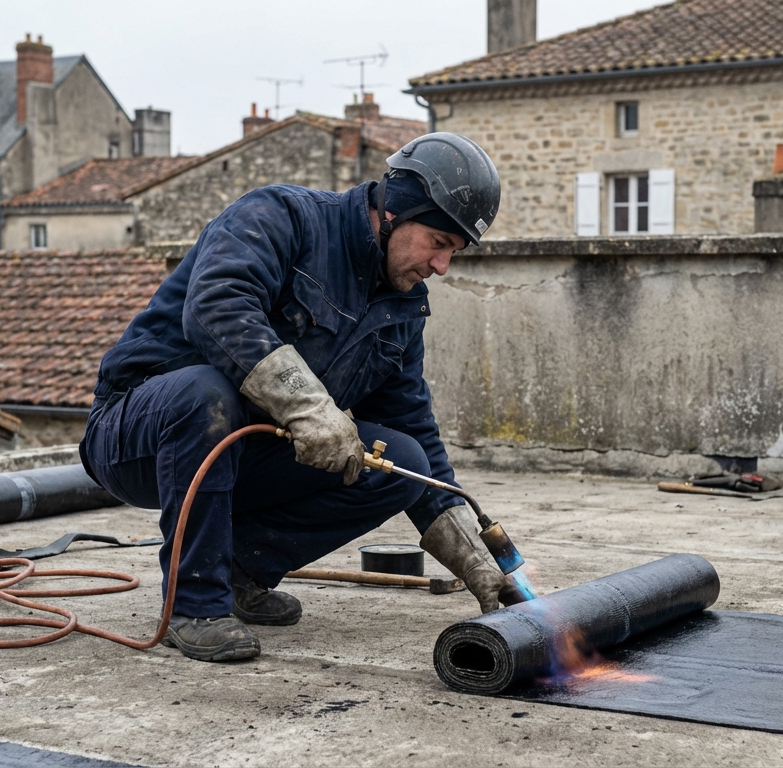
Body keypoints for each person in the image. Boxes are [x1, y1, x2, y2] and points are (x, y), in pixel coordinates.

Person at [80, 133, 505, 662]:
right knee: (206, 393)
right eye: (438, 242)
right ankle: (194, 605)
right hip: (138, 433)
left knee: (401, 460)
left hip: (247, 454)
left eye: (454, 252)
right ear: (394, 210)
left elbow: (414, 429)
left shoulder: (401, 309)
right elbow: (217, 307)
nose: (441, 266)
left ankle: (237, 569)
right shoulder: (282, 216)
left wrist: (478, 565)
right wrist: (309, 407)